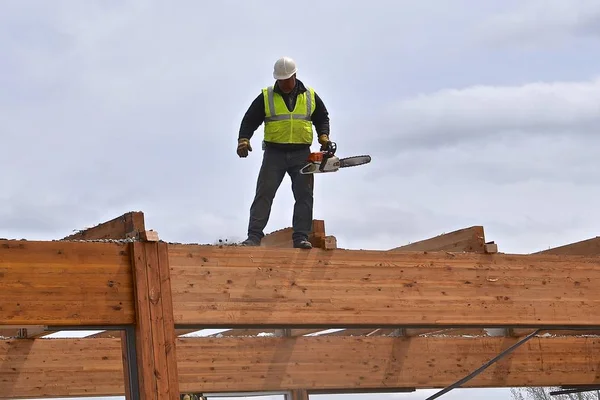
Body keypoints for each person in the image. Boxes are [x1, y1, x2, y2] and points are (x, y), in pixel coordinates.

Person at [236, 56, 332, 249]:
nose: (284, 83)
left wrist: (324, 136)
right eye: (280, 80)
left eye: (286, 79)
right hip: (274, 154)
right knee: (264, 193)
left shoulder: (310, 96)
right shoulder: (267, 96)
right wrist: (243, 139)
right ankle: (254, 236)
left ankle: (301, 237)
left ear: (294, 75)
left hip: (302, 154)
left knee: (304, 196)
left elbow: (322, 117)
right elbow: (249, 119)